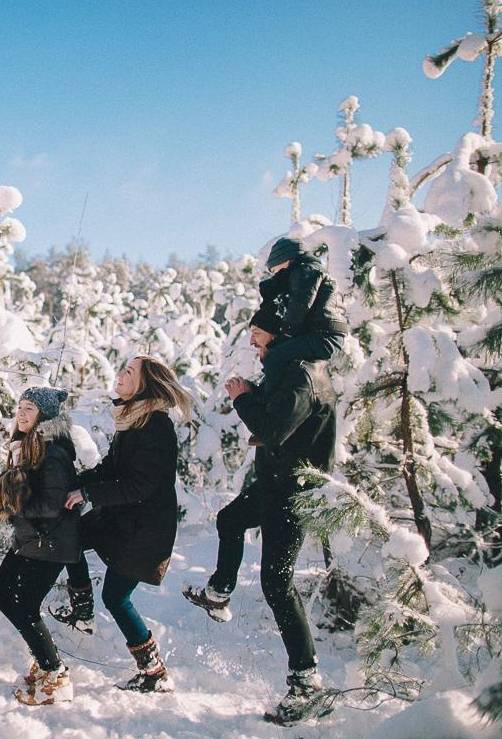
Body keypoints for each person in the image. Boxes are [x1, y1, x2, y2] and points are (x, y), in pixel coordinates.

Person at [182, 312, 339, 725]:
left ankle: (307, 682)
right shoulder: (290, 369)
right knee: (230, 521)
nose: (253, 343)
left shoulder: (303, 375)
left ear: (281, 332)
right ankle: (219, 593)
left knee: (277, 584)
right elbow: (280, 415)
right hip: (275, 484)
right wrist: (255, 392)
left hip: (292, 492)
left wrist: (243, 399)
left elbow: (273, 426)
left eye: (257, 334)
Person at [61, 356, 193, 693]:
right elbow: (113, 467)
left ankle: (154, 672)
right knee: (69, 535)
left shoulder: (155, 425)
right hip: (123, 518)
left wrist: (88, 492)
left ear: (144, 385)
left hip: (144, 531)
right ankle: (83, 612)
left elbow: (139, 485)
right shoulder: (135, 418)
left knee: (117, 597)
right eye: (123, 368)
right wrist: (76, 482)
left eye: (129, 372)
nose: (120, 374)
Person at [0, 386, 80, 706]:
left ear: (45, 415)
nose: (22, 413)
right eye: (20, 406)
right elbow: (23, 490)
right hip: (31, 539)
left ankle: (54, 673)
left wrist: (13, 507)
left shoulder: (53, 452)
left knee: (25, 606)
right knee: (1, 591)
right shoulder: (26, 446)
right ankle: (46, 662)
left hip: (51, 542)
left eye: (30, 408)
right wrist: (0, 495)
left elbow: (52, 504)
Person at [255, 236, 348, 392]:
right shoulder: (304, 271)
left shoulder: (306, 270)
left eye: (276, 270)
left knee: (274, 357)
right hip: (323, 334)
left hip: (325, 336)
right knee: (278, 353)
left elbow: (301, 303)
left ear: (287, 260)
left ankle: (270, 399)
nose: (276, 275)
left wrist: (287, 332)